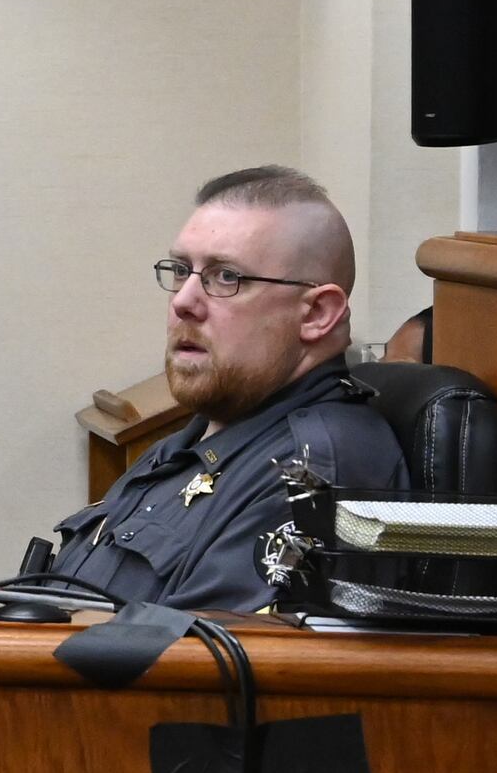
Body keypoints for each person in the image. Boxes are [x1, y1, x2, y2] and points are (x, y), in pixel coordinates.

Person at [38, 165, 402, 613]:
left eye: (226, 277)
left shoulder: (311, 473)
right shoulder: (195, 441)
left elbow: (191, 664)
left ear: (316, 315)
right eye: (181, 270)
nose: (183, 301)